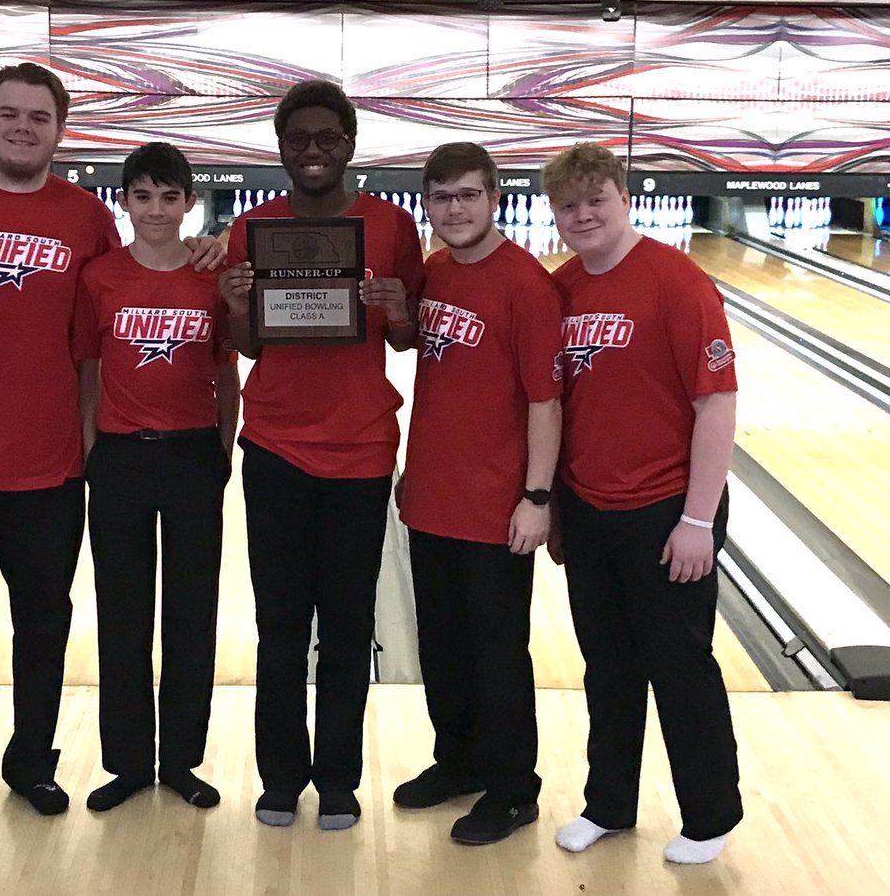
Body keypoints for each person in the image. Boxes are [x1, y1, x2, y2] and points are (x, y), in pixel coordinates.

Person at [0, 62, 222, 833]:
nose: (23, 127)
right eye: (10, 114)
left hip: (53, 467)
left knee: (43, 628)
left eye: (39, 117)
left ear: (61, 129)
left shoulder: (87, 218)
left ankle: (31, 765)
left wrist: (206, 253)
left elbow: (126, 307)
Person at [218, 80, 424, 830]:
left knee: (345, 625)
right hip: (274, 449)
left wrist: (398, 310)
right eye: (297, 139)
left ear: (349, 144)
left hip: (362, 453)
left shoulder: (392, 225)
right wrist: (238, 304)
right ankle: (280, 780)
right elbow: (245, 347)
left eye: (325, 139)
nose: (311, 152)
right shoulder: (251, 230)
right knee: (279, 627)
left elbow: (408, 340)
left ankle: (338, 779)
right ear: (280, 146)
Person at [542, 142, 742, 864]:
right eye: (569, 206)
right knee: (608, 665)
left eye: (596, 199)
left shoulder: (677, 282)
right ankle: (609, 805)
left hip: (666, 510)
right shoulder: (562, 289)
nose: (583, 214)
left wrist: (697, 521)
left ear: (625, 198)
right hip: (592, 509)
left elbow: (716, 403)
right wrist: (561, 507)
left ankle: (711, 815)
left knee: (681, 666)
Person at [394, 143, 562, 845]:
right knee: (442, 646)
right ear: (426, 203)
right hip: (430, 495)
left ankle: (513, 788)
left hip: (497, 506)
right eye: (440, 197)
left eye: (467, 195)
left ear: (494, 196)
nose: (453, 209)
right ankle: (457, 761)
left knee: (497, 651)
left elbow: (546, 403)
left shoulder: (525, 284)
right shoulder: (434, 273)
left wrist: (538, 496)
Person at [73, 142, 239, 813]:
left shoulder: (211, 278)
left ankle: (180, 761)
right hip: (119, 458)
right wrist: (93, 449)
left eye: (170, 197)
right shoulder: (100, 278)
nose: (157, 210)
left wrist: (222, 452)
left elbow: (227, 373)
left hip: (193, 454)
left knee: (191, 614)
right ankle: (129, 762)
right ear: (126, 202)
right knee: (122, 613)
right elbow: (87, 369)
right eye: (143, 196)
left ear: (189, 202)